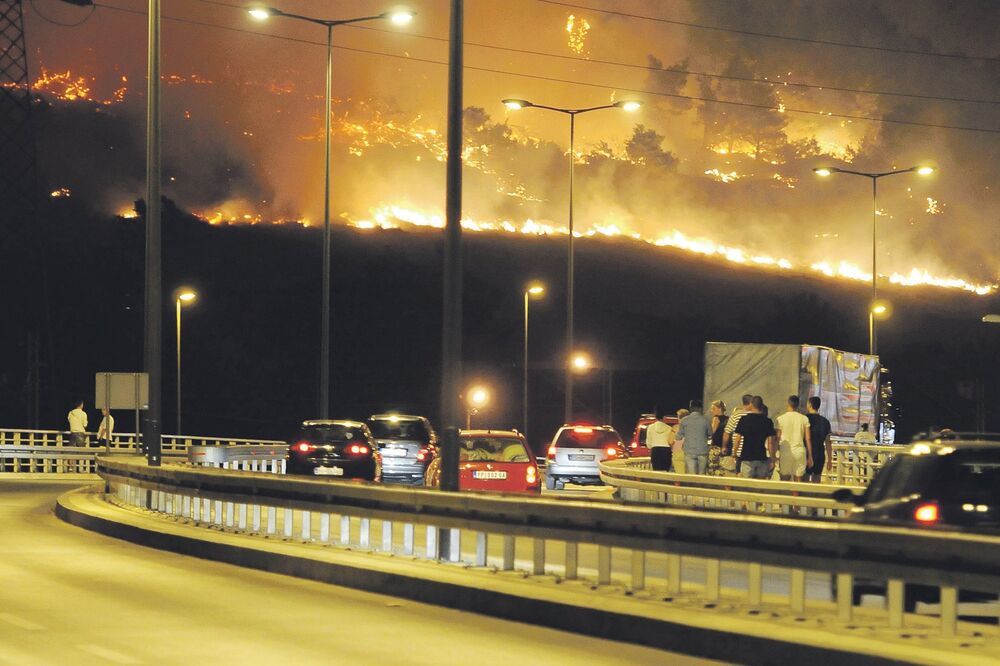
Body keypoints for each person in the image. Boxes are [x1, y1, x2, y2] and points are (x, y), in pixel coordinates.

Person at [732, 396, 775, 479]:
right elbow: (770, 443)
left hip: (747, 457)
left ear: (751, 404)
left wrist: (734, 454)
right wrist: (772, 459)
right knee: (760, 486)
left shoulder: (744, 419)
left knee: (746, 485)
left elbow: (738, 439)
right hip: (761, 457)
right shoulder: (767, 421)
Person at [775, 395, 811, 482]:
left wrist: (775, 454)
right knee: (798, 480)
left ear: (788, 404)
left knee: (784, 478)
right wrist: (810, 456)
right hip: (799, 451)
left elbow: (777, 437)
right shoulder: (804, 418)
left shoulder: (780, 419)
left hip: (785, 451)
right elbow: (808, 438)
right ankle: (796, 495)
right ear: (798, 405)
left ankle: (785, 495)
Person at [677, 400, 713, 474]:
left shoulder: (684, 420)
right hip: (703, 451)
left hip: (689, 451)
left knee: (692, 476)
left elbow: (678, 437)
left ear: (691, 408)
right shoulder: (706, 420)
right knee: (702, 475)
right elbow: (710, 434)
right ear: (700, 408)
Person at [805, 396, 832, 483]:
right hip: (820, 454)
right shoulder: (825, 422)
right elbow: (828, 442)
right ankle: (814, 495)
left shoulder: (804, 419)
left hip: (805, 453)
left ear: (809, 405)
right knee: (817, 479)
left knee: (804, 479)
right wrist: (830, 459)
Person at [708, 400, 728, 475]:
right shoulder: (728, 419)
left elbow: (711, 432)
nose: (711, 411)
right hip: (724, 447)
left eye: (713, 409)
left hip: (715, 448)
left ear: (719, 409)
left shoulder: (716, 418)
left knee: (713, 470)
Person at [67, 400, 88, 473]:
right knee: (82, 451)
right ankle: (81, 468)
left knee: (71, 451)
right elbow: (85, 425)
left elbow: (69, 420)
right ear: (81, 405)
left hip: (72, 433)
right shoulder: (83, 414)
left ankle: (70, 467)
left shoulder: (70, 413)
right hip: (80, 433)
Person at [669, 408, 690, 472]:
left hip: (678, 452)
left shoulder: (675, 428)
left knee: (679, 475)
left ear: (679, 417)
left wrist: (673, 446)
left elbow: (670, 441)